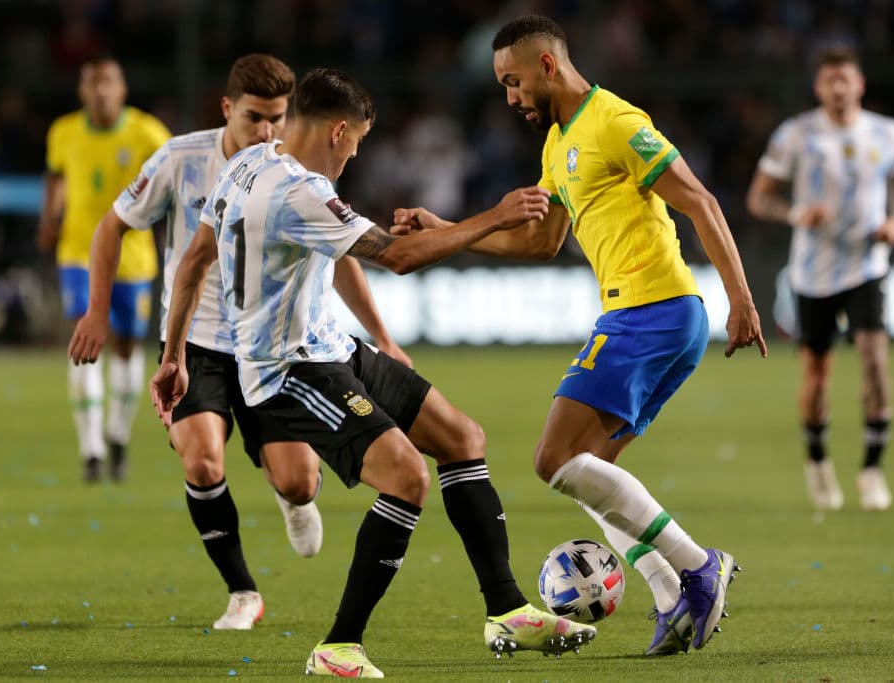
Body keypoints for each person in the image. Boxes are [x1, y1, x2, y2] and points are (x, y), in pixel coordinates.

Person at [151, 67, 595, 678]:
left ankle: (507, 609)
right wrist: (492, 217)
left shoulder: (249, 163)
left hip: (334, 347)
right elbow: (398, 259)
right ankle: (339, 646)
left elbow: (194, 260)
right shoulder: (299, 191)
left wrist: (173, 355)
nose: (355, 154)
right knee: (407, 478)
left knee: (462, 439)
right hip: (292, 371)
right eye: (356, 142)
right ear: (337, 131)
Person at [396, 15, 766, 657]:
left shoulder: (617, 122)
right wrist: (456, 227)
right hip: (643, 316)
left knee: (553, 459)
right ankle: (667, 589)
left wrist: (741, 296)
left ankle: (697, 568)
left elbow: (699, 201)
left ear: (546, 66)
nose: (509, 98)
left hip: (652, 310)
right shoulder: (557, 146)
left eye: (512, 83)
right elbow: (540, 240)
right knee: (587, 471)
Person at [67, 54, 410, 630]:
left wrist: (382, 336)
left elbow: (341, 253)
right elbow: (112, 225)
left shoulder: (298, 172)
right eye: (255, 118)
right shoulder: (181, 159)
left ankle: (294, 496)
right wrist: (97, 311)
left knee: (298, 482)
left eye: (278, 117)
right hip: (198, 341)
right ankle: (242, 592)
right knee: (201, 461)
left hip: (272, 349)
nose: (268, 132)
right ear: (228, 109)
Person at [746, 47, 894, 513]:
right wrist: (797, 212)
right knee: (817, 377)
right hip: (813, 274)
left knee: (875, 359)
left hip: (867, 265)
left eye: (846, 80)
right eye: (829, 81)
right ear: (819, 88)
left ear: (859, 84)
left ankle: (871, 469)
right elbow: (760, 198)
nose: (838, 88)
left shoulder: (888, 132)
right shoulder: (796, 135)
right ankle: (818, 460)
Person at [38, 55, 171, 482]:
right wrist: (50, 218)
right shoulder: (63, 132)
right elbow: (56, 179)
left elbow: (179, 179)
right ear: (82, 90)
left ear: (122, 89)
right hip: (79, 251)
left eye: (108, 82)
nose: (100, 90)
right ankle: (91, 447)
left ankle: (117, 434)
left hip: (132, 257)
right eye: (92, 83)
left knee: (128, 346)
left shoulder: (147, 132)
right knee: (86, 334)